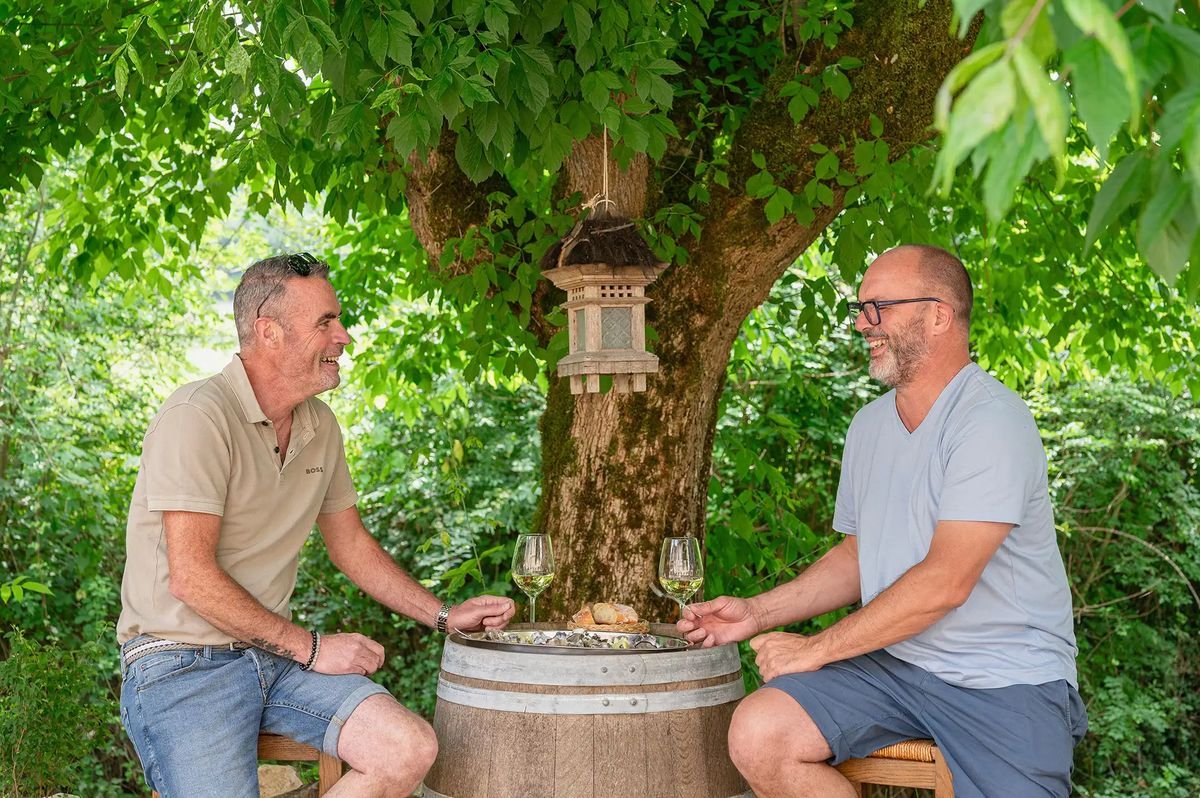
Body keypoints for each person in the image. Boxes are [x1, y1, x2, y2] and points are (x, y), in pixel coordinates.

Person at [678, 245, 1086, 798]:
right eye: (860, 307)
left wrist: (814, 649)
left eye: (880, 307)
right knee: (760, 734)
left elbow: (945, 582)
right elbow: (858, 555)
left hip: (1004, 679)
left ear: (939, 314)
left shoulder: (992, 421)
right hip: (896, 667)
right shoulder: (868, 427)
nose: (861, 323)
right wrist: (755, 612)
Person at [117, 252, 516, 798]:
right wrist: (310, 648)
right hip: (182, 664)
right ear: (268, 331)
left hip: (273, 659)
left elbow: (349, 544)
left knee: (407, 748)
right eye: (326, 322)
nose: (344, 337)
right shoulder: (196, 417)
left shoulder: (319, 425)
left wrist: (444, 616)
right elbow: (190, 577)